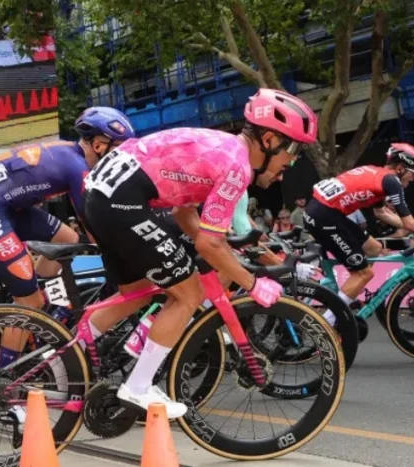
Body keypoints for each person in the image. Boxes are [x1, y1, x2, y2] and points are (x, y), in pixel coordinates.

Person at [83, 89, 318, 417]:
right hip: (121, 201)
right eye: (292, 150)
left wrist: (219, 249)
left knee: (136, 292)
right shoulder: (237, 166)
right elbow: (209, 244)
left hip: (100, 196)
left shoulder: (221, 147)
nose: (291, 162)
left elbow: (184, 215)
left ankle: (68, 359)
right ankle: (137, 387)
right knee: (188, 294)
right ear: (268, 140)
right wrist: (251, 283)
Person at [0, 107, 135, 374]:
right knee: (29, 305)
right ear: (99, 145)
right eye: (118, 149)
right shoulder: (78, 168)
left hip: (2, 205)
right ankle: (1, 378)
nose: (120, 157)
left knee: (68, 239)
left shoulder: (69, 152)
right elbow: (93, 225)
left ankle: (40, 300)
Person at [303, 142, 414, 326]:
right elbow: (408, 222)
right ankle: (326, 323)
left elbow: (382, 213)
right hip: (326, 217)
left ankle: (351, 291)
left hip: (325, 212)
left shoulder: (377, 173)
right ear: (400, 168)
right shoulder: (392, 181)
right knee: (364, 273)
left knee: (374, 248)